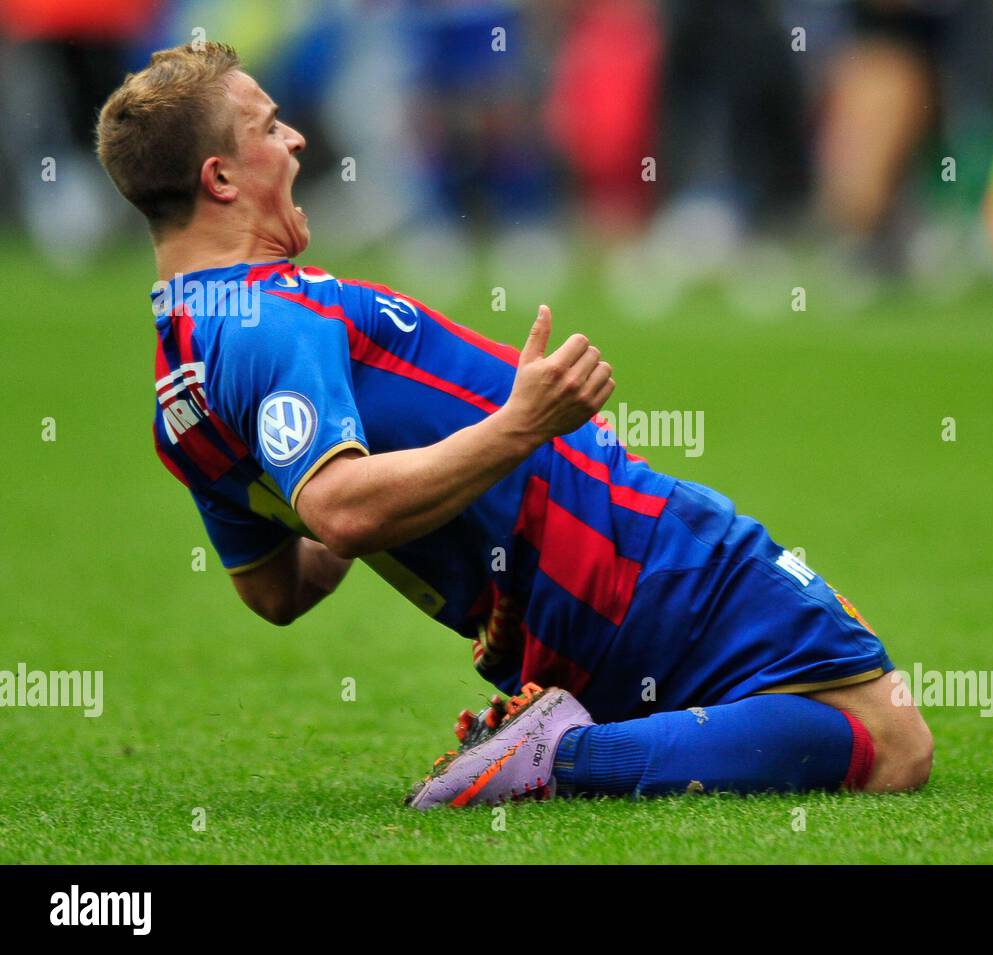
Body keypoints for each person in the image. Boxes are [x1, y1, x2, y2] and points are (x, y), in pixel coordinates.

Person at [95, 42, 932, 806]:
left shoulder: (180, 390)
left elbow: (277, 587)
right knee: (894, 740)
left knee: (776, 721)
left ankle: (558, 741)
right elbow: (342, 509)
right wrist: (519, 426)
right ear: (221, 179)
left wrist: (391, 471)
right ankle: (557, 755)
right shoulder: (269, 318)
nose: (297, 141)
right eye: (269, 128)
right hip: (627, 552)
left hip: (547, 614)